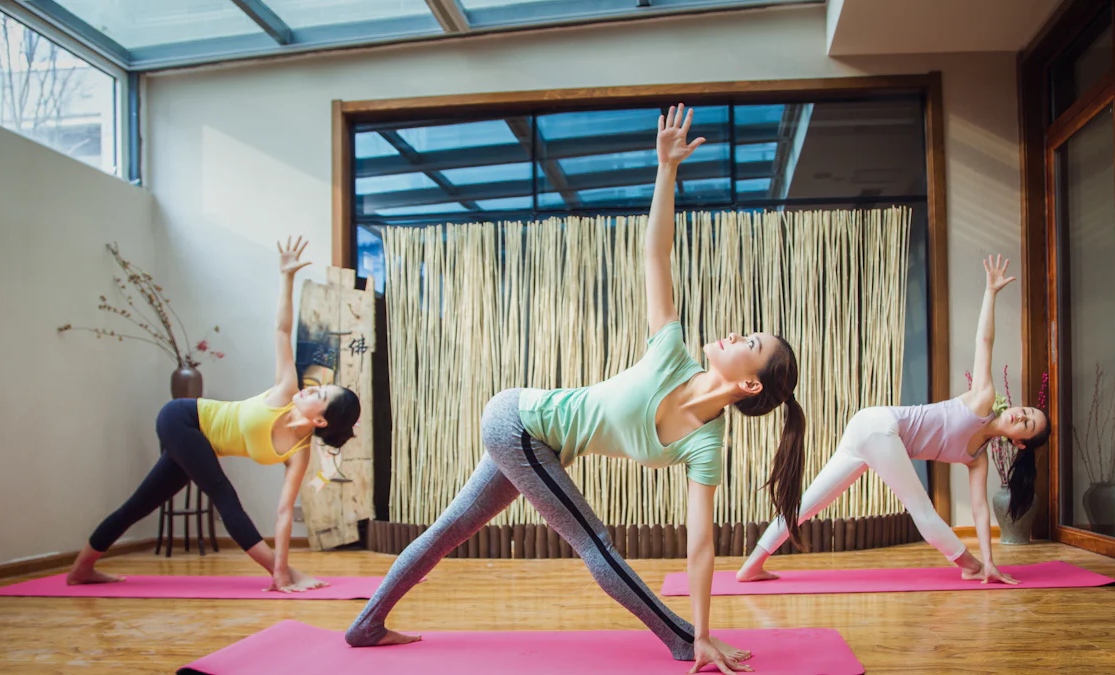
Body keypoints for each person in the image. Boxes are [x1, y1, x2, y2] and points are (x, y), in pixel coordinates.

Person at [345, 105, 806, 675]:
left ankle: (366, 624)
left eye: (751, 340)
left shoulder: (705, 447)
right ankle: (680, 642)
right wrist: (666, 170)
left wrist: (710, 626)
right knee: (596, 541)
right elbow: (654, 254)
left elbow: (701, 546)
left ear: (748, 382)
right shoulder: (671, 353)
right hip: (518, 422)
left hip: (537, 445)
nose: (737, 331)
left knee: (453, 527)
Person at [67, 237, 361, 593]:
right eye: (316, 385)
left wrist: (284, 566)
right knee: (224, 496)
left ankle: (81, 570)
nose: (309, 387)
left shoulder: (298, 454)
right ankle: (283, 575)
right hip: (183, 418)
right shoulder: (285, 390)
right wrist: (286, 278)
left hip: (197, 442)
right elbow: (282, 330)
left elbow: (284, 514)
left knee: (139, 505)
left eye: (319, 394)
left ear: (320, 421)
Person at [736, 255, 1050, 585]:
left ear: (1019, 442)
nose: (1020, 414)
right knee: (923, 510)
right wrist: (991, 292)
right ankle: (969, 566)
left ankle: (751, 566)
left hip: (869, 432)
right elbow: (984, 342)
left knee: (810, 504)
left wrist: (992, 560)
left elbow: (980, 510)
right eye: (1027, 410)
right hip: (879, 427)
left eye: (1026, 424)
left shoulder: (978, 459)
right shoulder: (983, 398)